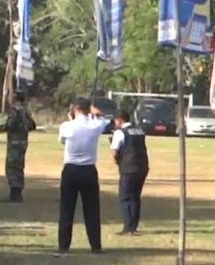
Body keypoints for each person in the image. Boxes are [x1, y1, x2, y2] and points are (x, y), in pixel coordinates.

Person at [57, 98, 109, 255]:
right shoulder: (95, 125)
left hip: (71, 169)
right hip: (88, 170)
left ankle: (64, 246)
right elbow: (104, 119)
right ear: (89, 109)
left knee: (67, 209)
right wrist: (96, 112)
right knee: (92, 209)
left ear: (74, 109)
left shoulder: (66, 126)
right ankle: (95, 246)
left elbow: (62, 141)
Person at [0, 92, 37, 202]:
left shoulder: (15, 111)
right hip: (23, 142)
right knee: (19, 166)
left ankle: (14, 194)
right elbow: (32, 125)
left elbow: (9, 125)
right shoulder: (25, 112)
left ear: (15, 99)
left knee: (11, 167)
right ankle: (18, 193)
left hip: (14, 143)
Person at [110, 110, 150, 236]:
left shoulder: (120, 132)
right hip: (142, 167)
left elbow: (114, 152)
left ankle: (128, 227)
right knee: (135, 197)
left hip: (128, 168)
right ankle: (133, 226)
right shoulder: (139, 131)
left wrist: (118, 161)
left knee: (125, 197)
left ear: (119, 120)